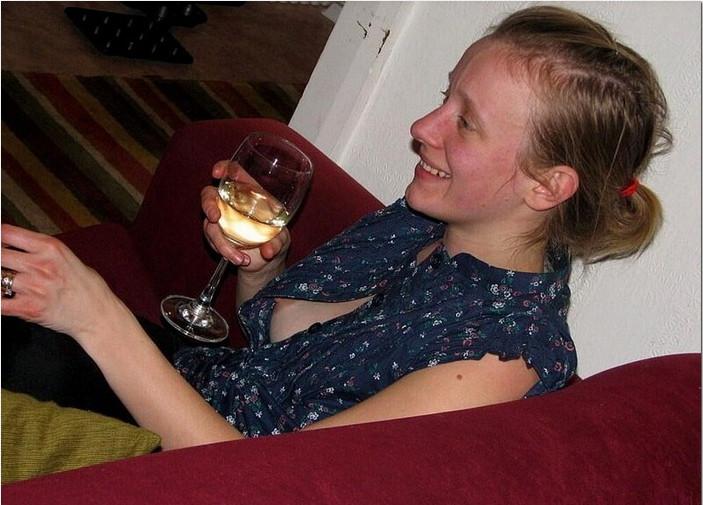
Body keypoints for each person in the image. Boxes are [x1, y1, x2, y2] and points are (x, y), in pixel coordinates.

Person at [1, 6, 671, 449]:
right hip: (197, 384)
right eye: (445, 96)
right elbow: (293, 345)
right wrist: (264, 266)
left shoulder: (499, 360)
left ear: (547, 186)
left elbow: (257, 481)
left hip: (182, 456)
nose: (422, 127)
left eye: (464, 122)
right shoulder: (427, 223)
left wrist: (98, 317)